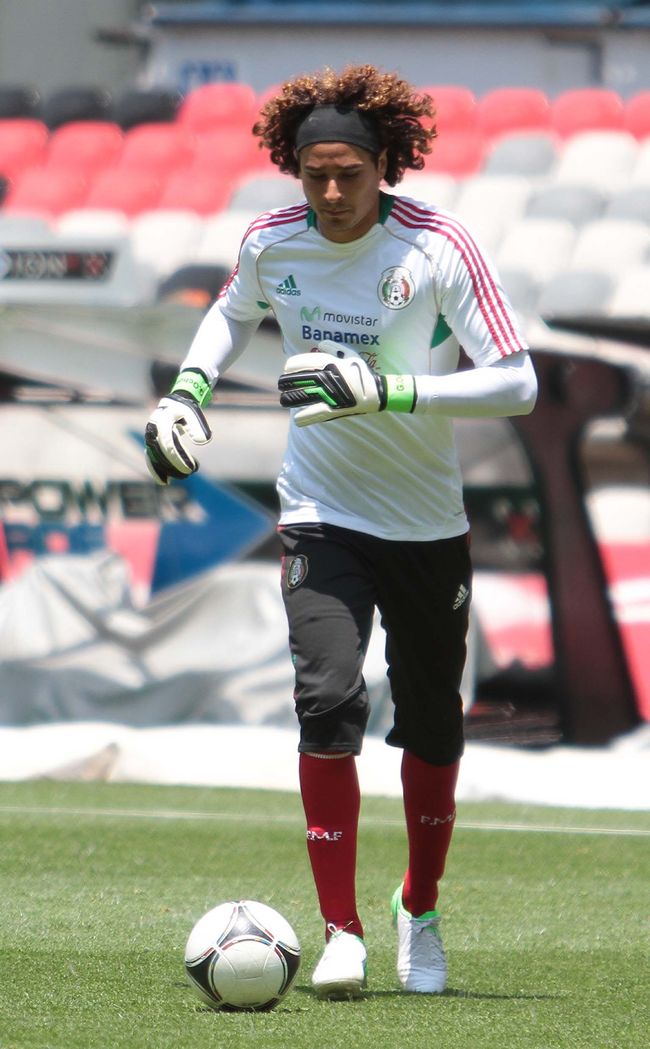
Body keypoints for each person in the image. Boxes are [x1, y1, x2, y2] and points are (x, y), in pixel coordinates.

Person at [144, 64, 537, 999]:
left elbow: (517, 381)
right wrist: (186, 394)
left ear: (384, 165)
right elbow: (229, 316)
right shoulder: (271, 242)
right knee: (326, 702)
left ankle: (419, 908)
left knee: (433, 725)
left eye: (348, 174)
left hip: (426, 523)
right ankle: (341, 931)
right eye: (313, 173)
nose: (329, 192)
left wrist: (387, 390)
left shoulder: (437, 246)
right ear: (294, 168)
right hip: (321, 512)